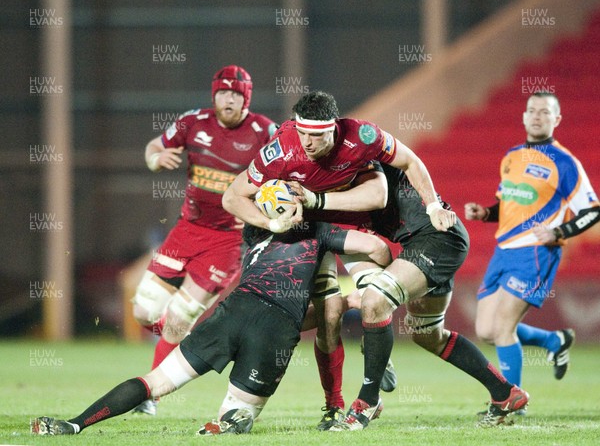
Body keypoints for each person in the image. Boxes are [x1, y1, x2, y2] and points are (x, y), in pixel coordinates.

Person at [30, 201, 392, 436]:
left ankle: (75, 424)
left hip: (232, 312)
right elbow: (376, 248)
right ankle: (229, 423)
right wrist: (363, 287)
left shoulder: (251, 234)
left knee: (156, 382)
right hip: (275, 330)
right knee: (238, 418)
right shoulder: (318, 231)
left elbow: (241, 204)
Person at [222, 90, 456, 428]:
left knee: (373, 276)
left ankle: (374, 355)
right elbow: (233, 196)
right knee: (324, 317)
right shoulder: (280, 149)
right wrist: (271, 222)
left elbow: (402, 169)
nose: (308, 143)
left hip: (336, 223)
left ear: (335, 127)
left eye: (317, 135)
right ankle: (333, 403)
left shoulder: (362, 137)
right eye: (303, 133)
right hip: (299, 234)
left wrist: (433, 204)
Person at [324, 162, 529, 430]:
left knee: (375, 301)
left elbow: (408, 160)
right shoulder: (336, 192)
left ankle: (367, 400)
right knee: (427, 334)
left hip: (437, 239)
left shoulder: (361, 158)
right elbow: (371, 248)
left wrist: (370, 296)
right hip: (423, 245)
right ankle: (505, 394)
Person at [131, 65, 277, 415]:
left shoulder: (264, 131)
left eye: (237, 94)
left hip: (228, 241)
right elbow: (154, 146)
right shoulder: (192, 122)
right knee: (143, 311)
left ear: (247, 98)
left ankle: (150, 395)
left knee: (181, 315)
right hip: (186, 231)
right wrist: (155, 159)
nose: (229, 99)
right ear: (214, 95)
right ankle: (177, 334)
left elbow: (286, 167)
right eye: (223, 92)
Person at [464, 92, 599, 394]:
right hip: (504, 251)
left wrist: (558, 232)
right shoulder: (512, 156)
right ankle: (553, 341)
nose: (537, 116)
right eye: (532, 110)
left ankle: (511, 401)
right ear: (524, 116)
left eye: (545, 112)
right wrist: (485, 212)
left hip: (536, 253)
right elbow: (508, 205)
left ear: (557, 119)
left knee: (503, 328)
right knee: (485, 330)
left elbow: (593, 211)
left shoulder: (565, 163)